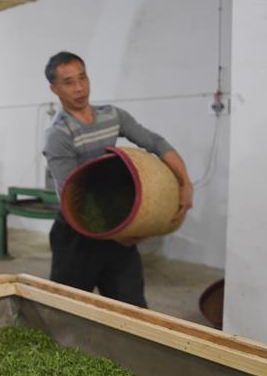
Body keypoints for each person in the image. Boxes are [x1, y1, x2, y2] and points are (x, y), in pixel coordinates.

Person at [42, 51, 193, 307]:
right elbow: (70, 194)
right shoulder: (58, 134)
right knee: (68, 311)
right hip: (77, 232)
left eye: (83, 78)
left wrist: (185, 183)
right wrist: (115, 235)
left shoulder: (112, 115)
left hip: (116, 221)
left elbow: (154, 142)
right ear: (54, 89)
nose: (80, 88)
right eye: (69, 82)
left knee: (132, 309)